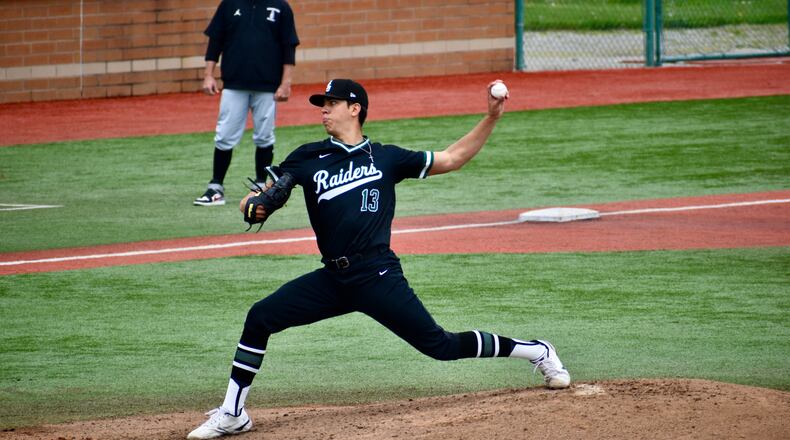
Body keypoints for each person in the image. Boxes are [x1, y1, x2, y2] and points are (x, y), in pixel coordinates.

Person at [187, 79, 570, 439]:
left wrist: (490, 117)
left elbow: (452, 158)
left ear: (355, 109)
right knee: (260, 317)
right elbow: (254, 202)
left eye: (331, 104)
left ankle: (537, 350)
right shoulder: (307, 157)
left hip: (378, 276)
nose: (323, 110)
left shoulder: (387, 158)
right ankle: (234, 414)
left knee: (440, 346)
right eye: (322, 104)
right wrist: (255, 205)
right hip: (332, 280)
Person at [194, 0, 300, 206]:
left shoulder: (281, 7)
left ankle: (261, 187)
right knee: (224, 134)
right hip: (234, 83)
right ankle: (216, 187)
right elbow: (215, 40)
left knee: (264, 135)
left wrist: (286, 83)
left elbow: (289, 47)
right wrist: (208, 75)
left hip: (268, 84)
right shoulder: (229, 5)